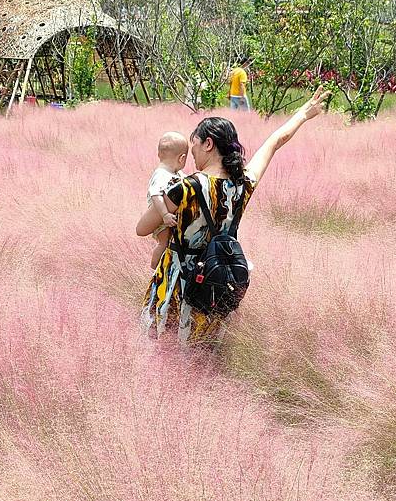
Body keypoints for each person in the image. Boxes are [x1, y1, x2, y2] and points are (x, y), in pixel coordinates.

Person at [136, 86, 331, 345]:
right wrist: (303, 114)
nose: (192, 152)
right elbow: (274, 143)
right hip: (216, 285)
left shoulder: (186, 187)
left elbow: (142, 228)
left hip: (177, 285)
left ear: (208, 143)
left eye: (194, 144)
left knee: (163, 352)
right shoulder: (243, 184)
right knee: (203, 357)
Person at [147, 132, 188, 269]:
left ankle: (164, 266)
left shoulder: (176, 173)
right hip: (161, 217)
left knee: (170, 243)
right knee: (163, 243)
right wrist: (164, 214)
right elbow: (155, 194)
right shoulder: (161, 174)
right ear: (182, 158)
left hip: (168, 216)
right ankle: (154, 267)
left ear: (159, 154)